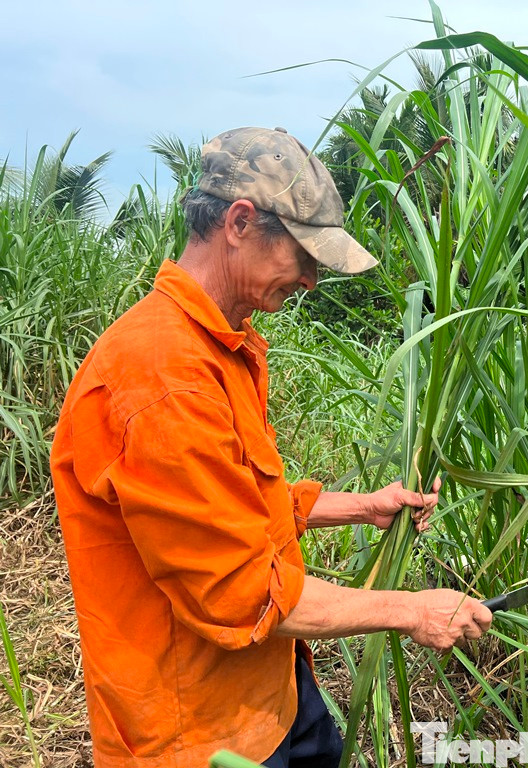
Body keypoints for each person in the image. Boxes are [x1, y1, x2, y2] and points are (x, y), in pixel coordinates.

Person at [50, 126, 492, 768]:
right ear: (239, 222)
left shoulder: (222, 346)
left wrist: (360, 506)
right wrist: (411, 610)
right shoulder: (162, 378)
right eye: (305, 256)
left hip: (272, 692)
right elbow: (241, 590)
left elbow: (233, 506)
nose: (311, 280)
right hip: (195, 734)